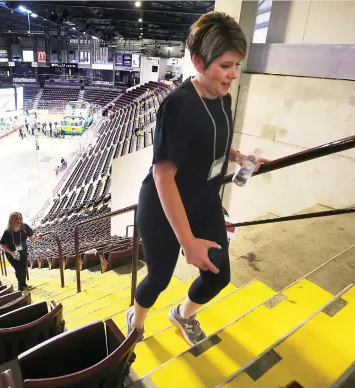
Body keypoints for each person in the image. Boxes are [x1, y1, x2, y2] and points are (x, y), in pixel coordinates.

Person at [126, 11, 268, 345]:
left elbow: (211, 141)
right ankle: (138, 317)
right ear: (198, 62)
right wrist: (187, 242)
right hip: (165, 206)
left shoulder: (224, 98)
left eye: (236, 65)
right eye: (225, 65)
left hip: (203, 200)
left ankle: (183, 314)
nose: (233, 74)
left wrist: (239, 157)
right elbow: (163, 176)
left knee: (219, 274)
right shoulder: (177, 106)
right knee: (159, 277)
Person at [0, 212, 42, 291]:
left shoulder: (25, 227)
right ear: (12, 221)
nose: (19, 221)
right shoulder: (7, 232)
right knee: (18, 268)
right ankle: (21, 286)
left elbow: (31, 239)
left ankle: (23, 285)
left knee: (23, 268)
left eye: (20, 218)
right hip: (12, 254)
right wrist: (11, 253)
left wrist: (37, 236)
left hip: (22, 252)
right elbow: (3, 245)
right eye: (16, 219)